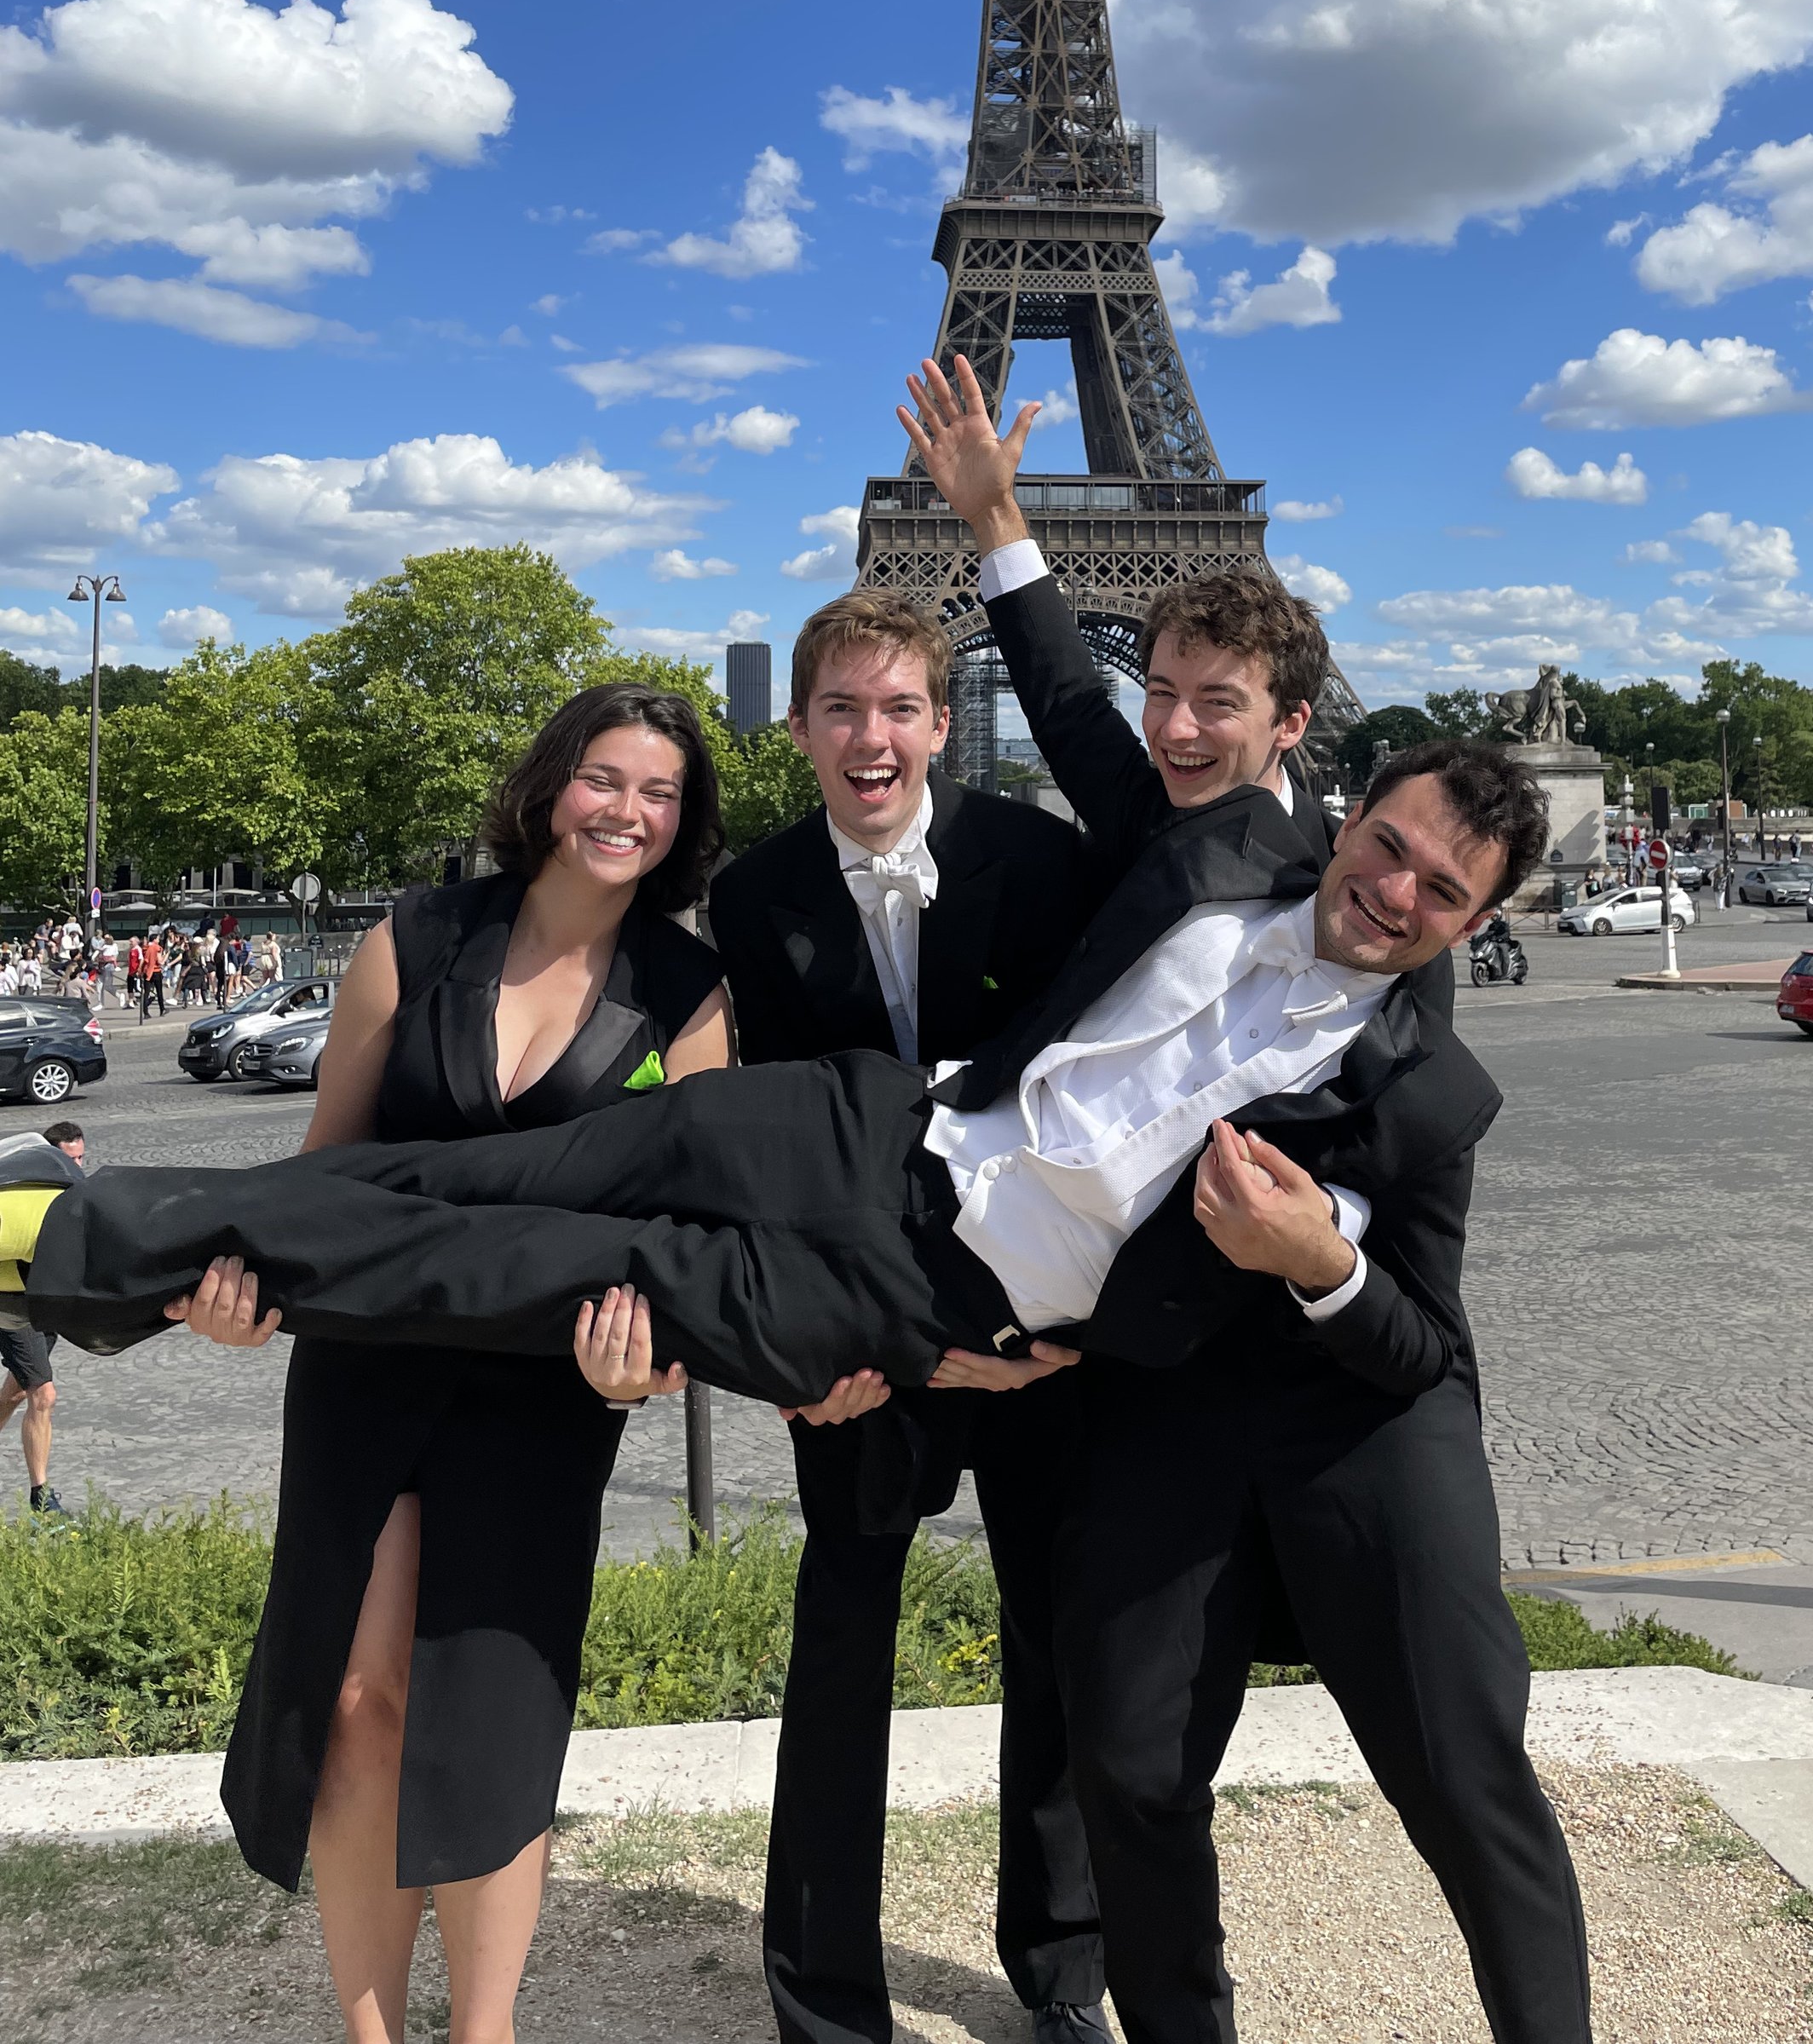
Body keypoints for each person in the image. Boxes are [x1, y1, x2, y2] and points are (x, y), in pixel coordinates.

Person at [6, 742, 1588, 2044]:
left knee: (525, 1271)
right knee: (499, 1172)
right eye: (1386, 844)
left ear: (1479, 916)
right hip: (871, 1126)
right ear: (1346, 804)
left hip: (919, 1297)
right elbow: (1096, 714)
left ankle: (70, 1258)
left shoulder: (1425, 1096)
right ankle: (91, 1222)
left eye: (1440, 889)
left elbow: (1417, 1343)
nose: (1391, 889)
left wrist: (1314, 1257)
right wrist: (999, 525)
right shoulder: (1228, 844)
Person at [107, 686, 730, 2044]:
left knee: (490, 1718)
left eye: (660, 792)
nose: (628, 810)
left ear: (683, 823)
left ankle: (484, 2031)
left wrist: (650, 1371)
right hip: (371, 1361)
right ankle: (372, 2032)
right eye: (605, 778)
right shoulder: (417, 938)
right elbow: (324, 1170)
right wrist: (239, 1293)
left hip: (545, 1385)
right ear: (553, 784)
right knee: (354, 1691)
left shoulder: (688, 998)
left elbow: (686, 1236)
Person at [706, 586, 1105, 2044]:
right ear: (800, 723)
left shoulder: (1041, 859)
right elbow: (766, 1156)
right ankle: (822, 1994)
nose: (870, 737)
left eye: (897, 708)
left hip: (1034, 1323)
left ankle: (1063, 1965)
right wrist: (824, 1348)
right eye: (840, 708)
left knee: (1057, 1638)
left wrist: (1055, 1327)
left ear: (944, 720)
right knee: (840, 1649)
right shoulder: (753, 900)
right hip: (866, 1339)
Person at [897, 357, 1336, 874]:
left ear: (1290, 722)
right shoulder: (1141, 817)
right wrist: (993, 512)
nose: (1175, 729)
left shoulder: (1360, 879)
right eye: (1161, 693)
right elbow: (1068, 703)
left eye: (1218, 701)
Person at [0, 1120, 86, 1523]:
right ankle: (42, 1496)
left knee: (16, 1393)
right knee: (43, 1392)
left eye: (82, 1159)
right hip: (12, 1297)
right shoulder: (25, 1192)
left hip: (45, 1293)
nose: (77, 1168)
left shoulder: (74, 1196)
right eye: (70, 1160)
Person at [137, 932, 164, 1020]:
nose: (159, 940)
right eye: (158, 938)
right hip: (156, 971)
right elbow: (160, 961)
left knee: (146, 992)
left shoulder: (145, 948)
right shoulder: (157, 948)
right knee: (159, 991)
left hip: (147, 972)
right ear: (155, 939)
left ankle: (145, 1012)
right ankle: (162, 1009)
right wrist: (166, 956)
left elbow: (144, 960)